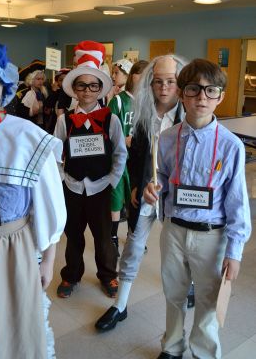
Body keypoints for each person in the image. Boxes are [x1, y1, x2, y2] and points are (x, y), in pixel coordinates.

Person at [143, 58, 252, 359]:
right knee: (174, 294)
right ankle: (172, 345)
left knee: (207, 299)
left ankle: (204, 352)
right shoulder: (166, 138)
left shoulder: (231, 146)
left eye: (210, 90)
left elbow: (237, 201)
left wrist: (235, 250)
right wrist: (154, 187)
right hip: (175, 230)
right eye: (193, 89)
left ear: (221, 96)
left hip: (211, 236)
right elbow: (162, 174)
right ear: (181, 93)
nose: (202, 97)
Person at [95, 54, 186, 331]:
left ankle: (187, 291)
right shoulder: (146, 114)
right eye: (158, 81)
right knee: (133, 248)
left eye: (171, 81)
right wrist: (136, 183)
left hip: (179, 196)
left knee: (181, 252)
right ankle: (120, 305)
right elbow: (136, 155)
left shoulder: (189, 116)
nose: (164, 88)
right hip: (146, 192)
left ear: (181, 83)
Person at [0, 38, 66, 359]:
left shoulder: (26, 138)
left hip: (9, 250)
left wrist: (47, 259)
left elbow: (49, 205)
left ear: (1, 95)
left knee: (11, 327)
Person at [55, 40, 127, 299]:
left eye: (93, 85)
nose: (87, 90)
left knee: (104, 237)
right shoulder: (64, 120)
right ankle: (71, 275)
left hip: (100, 187)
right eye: (82, 85)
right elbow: (55, 154)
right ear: (74, 89)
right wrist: (62, 177)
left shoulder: (112, 119)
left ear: (100, 89)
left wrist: (111, 180)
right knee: (73, 236)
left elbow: (120, 152)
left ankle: (108, 275)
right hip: (73, 186)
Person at [108, 60, 149, 254]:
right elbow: (107, 130)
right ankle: (113, 236)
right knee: (116, 198)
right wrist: (123, 139)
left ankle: (134, 234)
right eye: (139, 74)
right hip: (120, 157)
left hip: (138, 159)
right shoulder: (118, 100)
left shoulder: (148, 103)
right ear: (132, 75)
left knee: (135, 199)